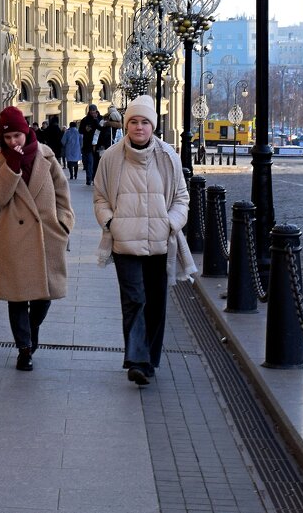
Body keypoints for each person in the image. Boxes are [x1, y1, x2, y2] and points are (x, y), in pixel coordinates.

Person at [93, 95, 197, 387]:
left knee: (155, 302)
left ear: (153, 125)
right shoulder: (112, 157)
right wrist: (111, 222)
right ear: (127, 125)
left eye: (144, 122)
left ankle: (149, 359)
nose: (139, 127)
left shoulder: (168, 157)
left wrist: (170, 224)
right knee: (134, 299)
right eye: (134, 122)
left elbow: (181, 198)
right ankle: (137, 361)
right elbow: (100, 195)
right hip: (124, 243)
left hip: (158, 244)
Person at [0, 106, 74, 371]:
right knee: (17, 297)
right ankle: (24, 349)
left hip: (46, 235)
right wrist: (11, 165)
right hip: (13, 238)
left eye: (17, 136)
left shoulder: (46, 156)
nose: (13, 142)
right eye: (8, 137)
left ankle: (31, 330)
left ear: (26, 132)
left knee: (43, 298)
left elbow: (62, 193)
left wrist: (64, 223)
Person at [78, 105, 103, 185]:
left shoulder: (100, 119)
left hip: (98, 144)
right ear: (89, 111)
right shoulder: (85, 120)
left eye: (94, 111)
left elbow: (102, 129)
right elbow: (80, 131)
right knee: (89, 162)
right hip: (88, 144)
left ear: (96, 111)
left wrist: (96, 121)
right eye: (91, 112)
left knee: (97, 163)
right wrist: (85, 129)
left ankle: (96, 178)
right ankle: (89, 178)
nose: (93, 113)